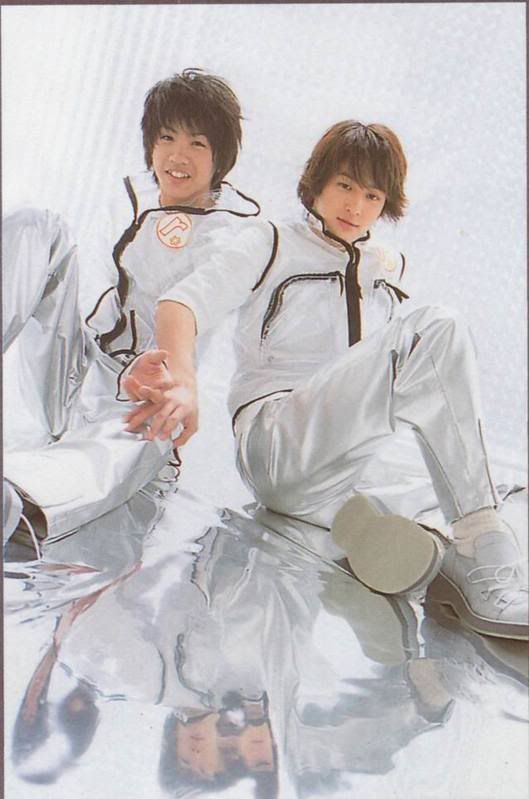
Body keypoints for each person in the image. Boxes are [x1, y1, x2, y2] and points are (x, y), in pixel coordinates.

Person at [125, 120, 528, 641]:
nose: (355, 206)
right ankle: (478, 551)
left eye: (372, 196)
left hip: (343, 463)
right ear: (317, 183)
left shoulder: (382, 269)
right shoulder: (271, 241)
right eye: (344, 185)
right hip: (277, 439)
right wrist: (183, 379)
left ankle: (434, 554)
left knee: (509, 488)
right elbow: (182, 303)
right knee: (438, 328)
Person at [3, 68, 272, 552]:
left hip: (147, 396)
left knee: (147, 427)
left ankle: (16, 497)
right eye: (167, 137)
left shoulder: (238, 233)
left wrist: (169, 379)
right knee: (37, 225)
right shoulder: (131, 196)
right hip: (78, 369)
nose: (177, 156)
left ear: (221, 156)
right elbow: (91, 290)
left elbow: (186, 308)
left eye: (197, 143)